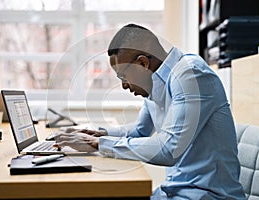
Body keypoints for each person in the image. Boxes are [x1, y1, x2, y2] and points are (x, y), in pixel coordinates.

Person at [55, 24, 246, 199]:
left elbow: (169, 150)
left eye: (123, 76)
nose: (123, 85)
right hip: (176, 191)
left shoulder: (190, 75)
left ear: (143, 64)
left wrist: (100, 144)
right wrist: (98, 133)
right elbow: (140, 130)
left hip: (209, 195)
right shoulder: (156, 83)